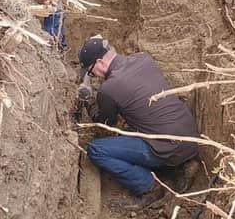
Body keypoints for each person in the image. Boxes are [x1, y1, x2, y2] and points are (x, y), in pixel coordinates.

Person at [76, 35, 199, 206]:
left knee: (97, 150)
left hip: (169, 148)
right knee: (138, 126)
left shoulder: (109, 89)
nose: (94, 76)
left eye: (91, 71)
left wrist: (89, 100)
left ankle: (150, 186)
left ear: (100, 62)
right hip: (190, 136)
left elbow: (105, 123)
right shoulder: (143, 59)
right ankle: (179, 168)